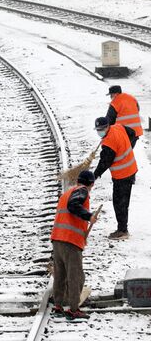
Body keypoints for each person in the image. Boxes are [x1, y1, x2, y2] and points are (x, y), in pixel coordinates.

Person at [50, 170, 97, 320]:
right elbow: (73, 205)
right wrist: (89, 216)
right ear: (91, 184)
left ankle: (58, 306)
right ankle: (74, 309)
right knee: (75, 275)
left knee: (60, 275)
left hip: (58, 239)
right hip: (70, 241)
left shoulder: (67, 193)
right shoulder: (81, 191)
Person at [92, 117, 137, 240]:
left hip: (122, 175)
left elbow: (105, 162)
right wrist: (127, 149)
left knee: (119, 203)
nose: (99, 131)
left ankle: (122, 231)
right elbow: (133, 133)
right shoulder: (118, 127)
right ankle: (123, 228)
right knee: (123, 202)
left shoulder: (109, 142)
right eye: (98, 129)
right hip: (131, 169)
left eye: (101, 129)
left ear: (107, 126)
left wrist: (94, 175)